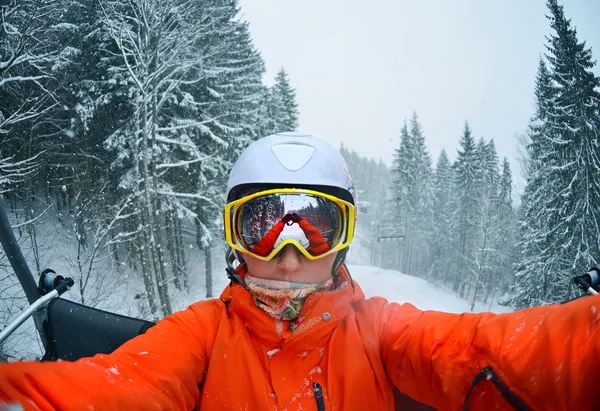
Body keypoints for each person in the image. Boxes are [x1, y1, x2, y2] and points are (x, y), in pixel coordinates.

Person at [0, 132, 599, 411]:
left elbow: (483, 350)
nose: (291, 251)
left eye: (317, 226)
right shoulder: (204, 335)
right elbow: (120, 387)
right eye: (263, 221)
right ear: (235, 237)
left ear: (342, 238)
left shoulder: (379, 331)